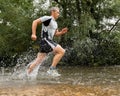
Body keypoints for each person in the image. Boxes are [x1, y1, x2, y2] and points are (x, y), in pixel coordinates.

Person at [27, 7, 68, 76]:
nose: (59, 14)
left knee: (38, 61)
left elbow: (55, 34)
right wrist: (33, 34)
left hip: (48, 41)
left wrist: (61, 32)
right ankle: (52, 69)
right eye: (57, 12)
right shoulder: (48, 18)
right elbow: (35, 22)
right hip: (45, 40)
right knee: (61, 51)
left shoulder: (55, 23)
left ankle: (27, 75)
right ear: (53, 12)